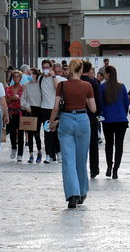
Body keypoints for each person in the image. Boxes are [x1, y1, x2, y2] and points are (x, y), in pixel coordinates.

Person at [48, 59, 96, 208]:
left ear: (69, 70)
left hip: (66, 120)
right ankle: (82, 192)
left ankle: (72, 195)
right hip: (82, 120)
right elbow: (93, 109)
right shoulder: (87, 85)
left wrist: (51, 122)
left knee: (68, 159)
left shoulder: (62, 85)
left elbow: (56, 107)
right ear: (81, 70)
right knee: (81, 159)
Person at [100, 66, 129, 179]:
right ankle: (116, 169)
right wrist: (123, 113)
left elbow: (100, 104)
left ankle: (109, 166)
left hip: (107, 119)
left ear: (107, 74)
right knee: (119, 145)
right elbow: (126, 103)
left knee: (109, 144)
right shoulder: (121, 87)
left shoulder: (102, 87)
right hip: (121, 119)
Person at [81, 60, 102, 178]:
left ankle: (81, 167)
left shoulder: (77, 82)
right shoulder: (93, 82)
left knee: (80, 144)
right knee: (93, 144)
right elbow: (98, 100)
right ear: (89, 70)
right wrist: (98, 113)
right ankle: (94, 169)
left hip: (78, 115)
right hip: (91, 116)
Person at [40, 59, 61, 163]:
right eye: (44, 67)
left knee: (56, 132)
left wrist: (53, 76)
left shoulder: (56, 78)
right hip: (44, 109)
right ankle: (49, 154)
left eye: (47, 67)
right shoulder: (40, 78)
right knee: (47, 132)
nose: (45, 69)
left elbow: (58, 88)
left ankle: (58, 152)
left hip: (55, 109)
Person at [21, 68, 43, 163]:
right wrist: (26, 106)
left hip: (39, 110)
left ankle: (39, 152)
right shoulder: (26, 85)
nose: (28, 76)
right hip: (29, 110)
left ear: (35, 75)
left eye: (30, 74)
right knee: (29, 133)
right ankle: (30, 154)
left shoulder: (41, 85)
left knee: (37, 133)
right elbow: (23, 99)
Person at [5, 70, 25, 161]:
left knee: (21, 133)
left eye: (18, 76)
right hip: (11, 113)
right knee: (12, 132)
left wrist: (20, 99)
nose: (16, 78)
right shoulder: (8, 89)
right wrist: (12, 98)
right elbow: (5, 102)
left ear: (21, 78)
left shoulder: (24, 89)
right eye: (15, 76)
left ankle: (20, 154)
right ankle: (13, 148)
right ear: (12, 78)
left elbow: (26, 100)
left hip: (20, 113)